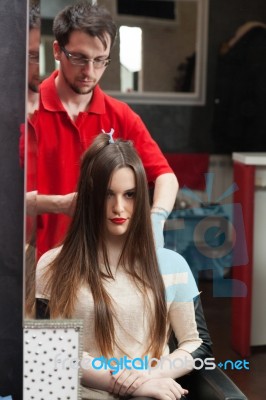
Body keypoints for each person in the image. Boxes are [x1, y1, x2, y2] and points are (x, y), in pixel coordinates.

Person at [35, 133, 209, 400]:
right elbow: (50, 349)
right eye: (108, 194)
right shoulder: (52, 266)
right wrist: (126, 383)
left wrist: (150, 378)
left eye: (130, 195)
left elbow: (197, 344)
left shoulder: (172, 265)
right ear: (89, 196)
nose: (119, 207)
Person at [31, 1, 178, 258]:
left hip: (99, 266)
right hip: (35, 264)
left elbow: (166, 177)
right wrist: (58, 204)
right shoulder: (24, 112)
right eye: (79, 58)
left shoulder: (120, 116)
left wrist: (157, 218)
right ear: (57, 50)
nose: (90, 72)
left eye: (100, 60)